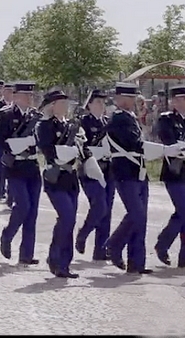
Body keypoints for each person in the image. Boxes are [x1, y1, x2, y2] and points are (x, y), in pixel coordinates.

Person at [105, 83, 185, 274]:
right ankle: (114, 245)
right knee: (136, 214)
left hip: (138, 172)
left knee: (141, 219)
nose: (133, 101)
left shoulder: (129, 118)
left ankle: (136, 263)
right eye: (129, 98)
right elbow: (135, 144)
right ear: (119, 99)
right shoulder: (119, 119)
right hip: (125, 172)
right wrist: (165, 150)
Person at [0, 82, 42, 264]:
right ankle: (7, 234)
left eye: (31, 95)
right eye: (26, 95)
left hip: (32, 166)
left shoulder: (37, 117)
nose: (29, 98)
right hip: (15, 167)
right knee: (23, 205)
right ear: (16, 96)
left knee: (33, 211)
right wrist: (16, 144)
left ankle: (27, 254)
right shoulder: (6, 115)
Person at [154, 85, 185, 268]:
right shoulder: (166, 119)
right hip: (174, 173)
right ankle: (162, 244)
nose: (184, 103)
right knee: (184, 213)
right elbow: (168, 141)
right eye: (180, 99)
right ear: (173, 101)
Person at [35, 89, 81, 278]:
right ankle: (57, 260)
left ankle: (62, 262)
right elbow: (49, 151)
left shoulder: (71, 125)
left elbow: (81, 149)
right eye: (61, 103)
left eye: (66, 104)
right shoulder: (44, 126)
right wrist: (69, 152)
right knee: (67, 217)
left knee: (68, 221)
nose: (65, 107)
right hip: (55, 178)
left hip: (71, 178)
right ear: (52, 106)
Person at [75, 89, 115, 261]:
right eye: (97, 102)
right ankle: (83, 234)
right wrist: (99, 152)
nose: (101, 105)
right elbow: (81, 147)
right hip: (90, 170)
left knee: (107, 210)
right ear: (89, 104)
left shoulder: (108, 122)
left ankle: (101, 250)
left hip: (108, 170)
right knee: (100, 207)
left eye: (103, 102)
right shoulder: (82, 123)